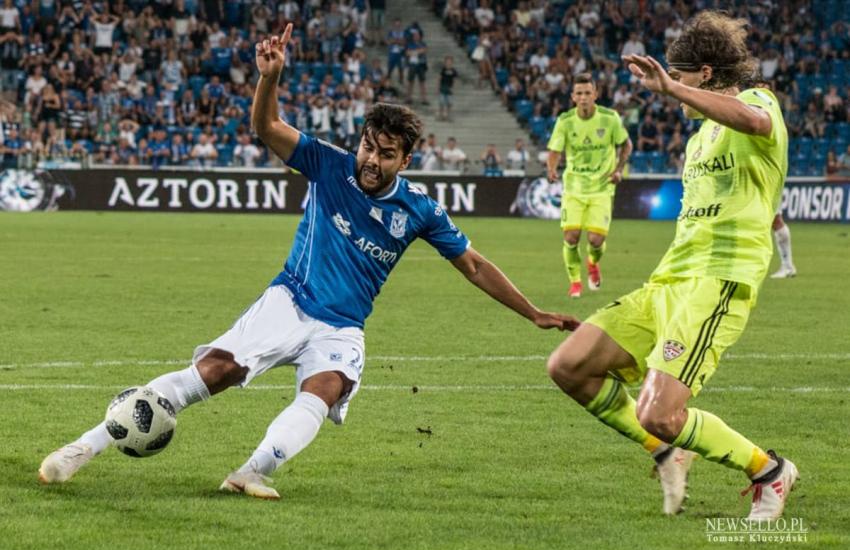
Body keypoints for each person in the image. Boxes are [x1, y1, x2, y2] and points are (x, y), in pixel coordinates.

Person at [39, 26, 579, 499]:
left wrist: (533, 313)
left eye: (385, 153)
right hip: (290, 300)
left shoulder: (420, 210)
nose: (371, 159)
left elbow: (475, 266)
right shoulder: (329, 164)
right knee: (214, 373)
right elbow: (267, 128)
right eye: (368, 145)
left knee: (326, 388)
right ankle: (82, 448)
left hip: (344, 324)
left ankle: (250, 473)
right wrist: (269, 77)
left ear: (405, 160)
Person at [546, 11, 797, 520]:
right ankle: (664, 449)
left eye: (680, 78)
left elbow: (751, 121)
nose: (671, 89)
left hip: (718, 280)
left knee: (660, 411)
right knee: (569, 366)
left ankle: (769, 471)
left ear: (704, 74)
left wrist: (674, 90)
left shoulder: (758, 102)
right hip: (669, 280)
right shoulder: (697, 138)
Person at [547, 73, 632, 299]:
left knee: (596, 240)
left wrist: (618, 169)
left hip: (602, 188)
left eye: (587, 93)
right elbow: (555, 150)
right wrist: (552, 168)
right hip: (574, 188)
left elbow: (626, 145)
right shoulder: (565, 121)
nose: (583, 97)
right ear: (573, 97)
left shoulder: (609, 118)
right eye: (579, 93)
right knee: (571, 237)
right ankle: (575, 282)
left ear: (595, 94)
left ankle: (593, 262)